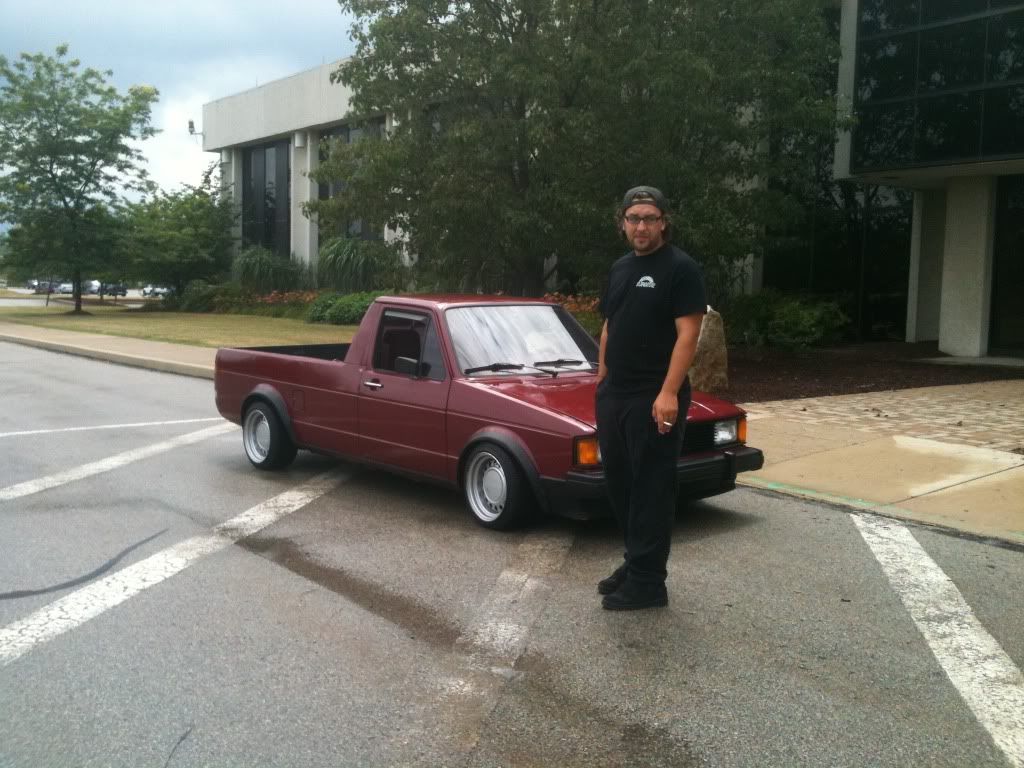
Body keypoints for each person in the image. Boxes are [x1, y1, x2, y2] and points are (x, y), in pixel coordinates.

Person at [595, 186, 707, 610]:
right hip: (616, 394)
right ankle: (636, 561)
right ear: (622, 223)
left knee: (652, 488)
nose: (641, 226)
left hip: (654, 396)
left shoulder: (681, 268)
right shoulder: (620, 267)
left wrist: (668, 392)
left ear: (663, 223)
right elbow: (610, 325)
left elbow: (688, 334)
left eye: (649, 218)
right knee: (621, 485)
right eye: (634, 218)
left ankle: (648, 583)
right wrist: (602, 379)